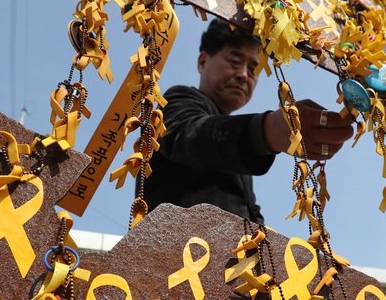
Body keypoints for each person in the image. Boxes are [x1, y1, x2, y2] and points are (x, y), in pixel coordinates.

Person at [142, 18, 353, 223]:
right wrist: (268, 130)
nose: (244, 74)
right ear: (203, 61)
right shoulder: (177, 100)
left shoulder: (238, 147)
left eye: (253, 69)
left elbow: (249, 213)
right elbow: (188, 134)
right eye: (234, 61)